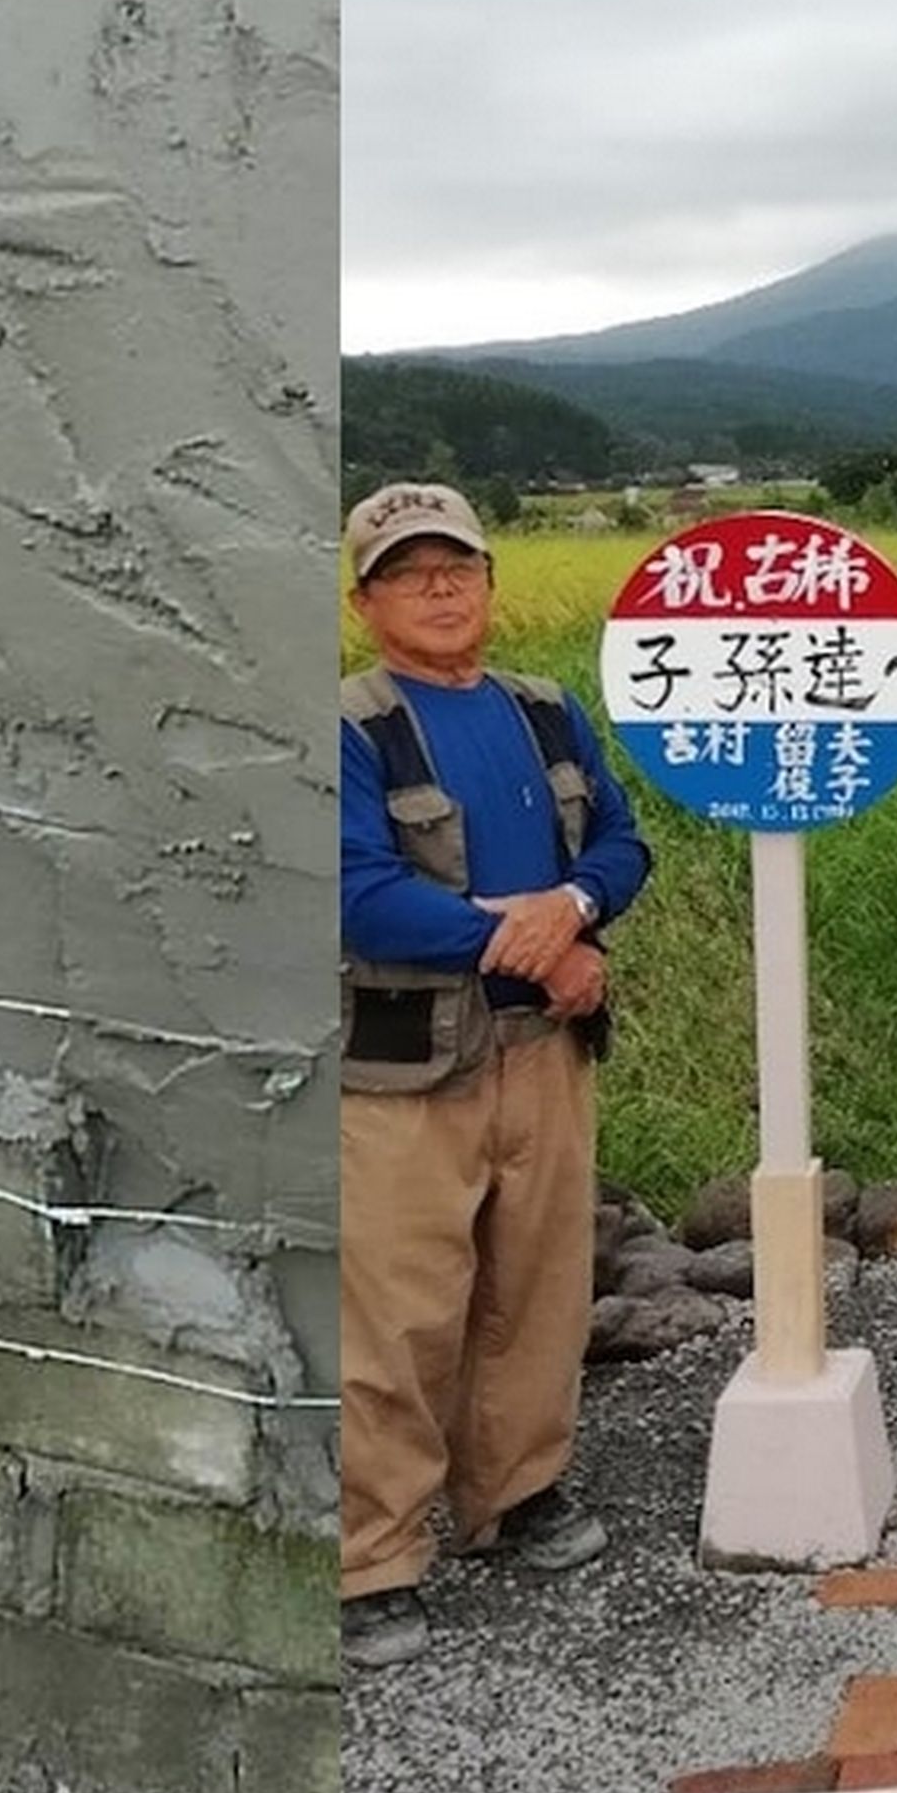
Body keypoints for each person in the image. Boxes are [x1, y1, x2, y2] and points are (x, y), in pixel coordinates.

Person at [335, 480, 651, 1671]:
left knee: (538, 1286)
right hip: (406, 1070)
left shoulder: (547, 709)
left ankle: (516, 1493)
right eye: (409, 569)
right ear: (368, 599)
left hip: (543, 1054)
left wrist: (576, 905)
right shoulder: (352, 726)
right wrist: (529, 945)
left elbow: (623, 841)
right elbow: (357, 885)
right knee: (400, 1310)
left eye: (456, 564)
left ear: (488, 580)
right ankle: (373, 1555)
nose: (440, 585)